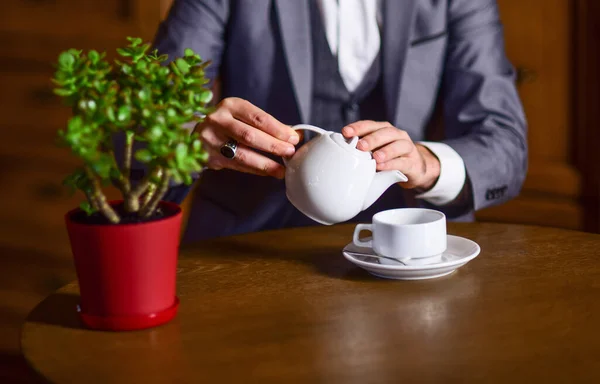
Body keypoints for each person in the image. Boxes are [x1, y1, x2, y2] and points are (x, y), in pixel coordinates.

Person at [151, 0, 528, 242]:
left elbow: (504, 140)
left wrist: (428, 163)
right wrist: (192, 136)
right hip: (246, 244)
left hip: (405, 256)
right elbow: (144, 116)